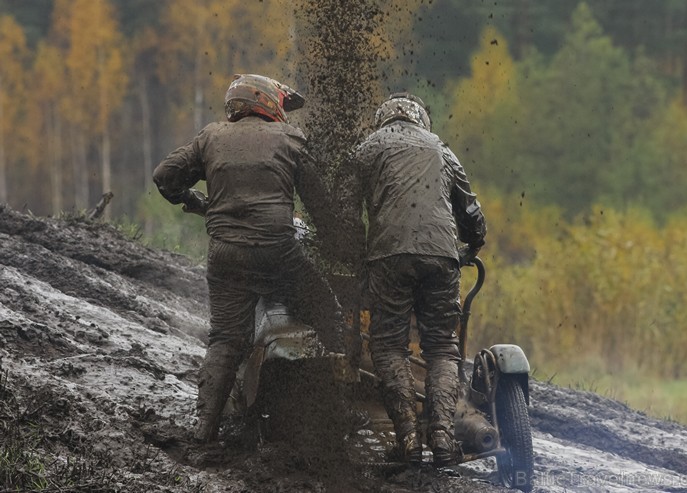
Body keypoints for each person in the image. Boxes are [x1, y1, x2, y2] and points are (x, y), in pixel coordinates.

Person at [153, 74, 346, 443]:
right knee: (327, 311)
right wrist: (337, 243)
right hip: (279, 252)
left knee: (225, 338)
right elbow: (321, 208)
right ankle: (339, 407)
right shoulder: (290, 138)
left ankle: (203, 431)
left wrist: (193, 201)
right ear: (269, 103)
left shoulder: (210, 136)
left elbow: (164, 177)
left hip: (226, 255)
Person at [335, 93, 487, 466]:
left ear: (383, 119)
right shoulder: (442, 149)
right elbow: (472, 214)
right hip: (442, 257)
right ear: (421, 120)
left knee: (388, 346)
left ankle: (406, 440)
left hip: (388, 256)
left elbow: (343, 210)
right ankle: (441, 435)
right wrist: (469, 248)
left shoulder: (367, 148)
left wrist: (355, 253)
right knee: (441, 347)